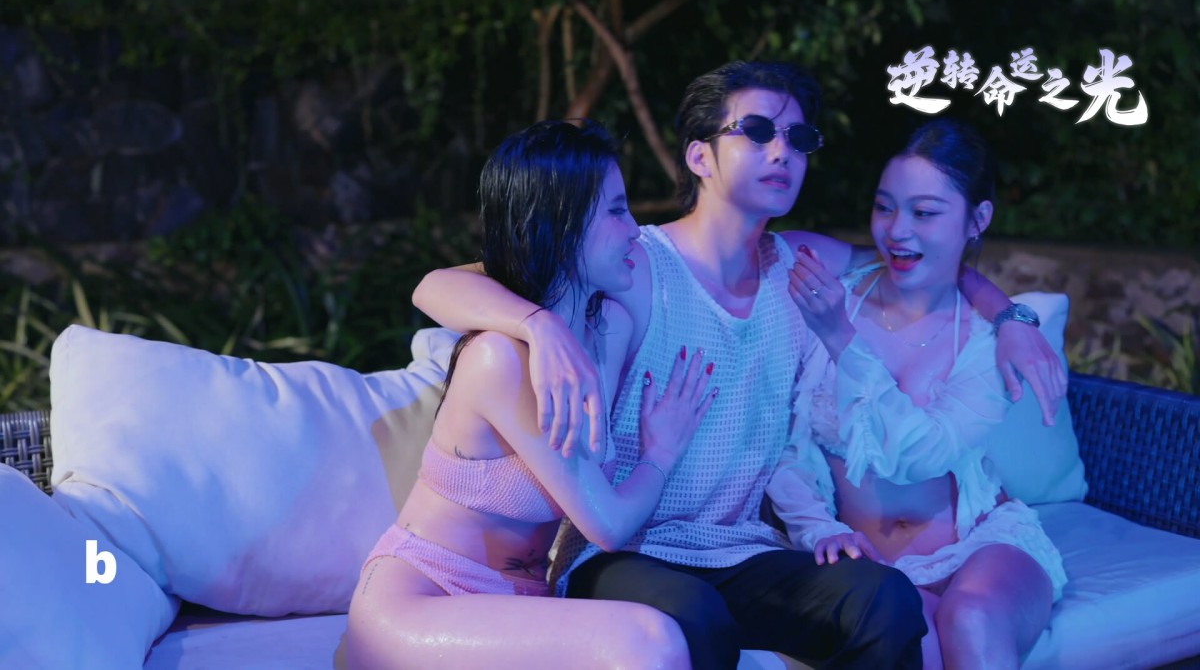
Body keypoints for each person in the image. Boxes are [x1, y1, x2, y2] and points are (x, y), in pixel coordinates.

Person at [412, 61, 1065, 669]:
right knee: (695, 614)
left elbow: (920, 258)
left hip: (743, 550)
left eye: (797, 138)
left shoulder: (801, 268)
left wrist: (1012, 318)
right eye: (756, 132)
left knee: (884, 598)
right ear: (700, 156)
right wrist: (539, 322)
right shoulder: (634, 262)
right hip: (628, 553)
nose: (782, 152)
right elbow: (439, 285)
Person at [344, 120, 718, 669]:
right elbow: (609, 524)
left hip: (521, 601)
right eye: (616, 211)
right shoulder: (497, 359)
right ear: (560, 225)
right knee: (651, 640)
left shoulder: (609, 330)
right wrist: (660, 452)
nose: (635, 230)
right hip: (423, 597)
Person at [769, 118, 1067, 670]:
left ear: (978, 219)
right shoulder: (834, 295)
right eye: (884, 207)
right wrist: (818, 528)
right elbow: (787, 447)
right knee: (909, 638)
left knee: (970, 618)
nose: (897, 230)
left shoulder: (988, 340)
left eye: (925, 213)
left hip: (982, 547)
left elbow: (918, 457)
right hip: (860, 556)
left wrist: (842, 340)